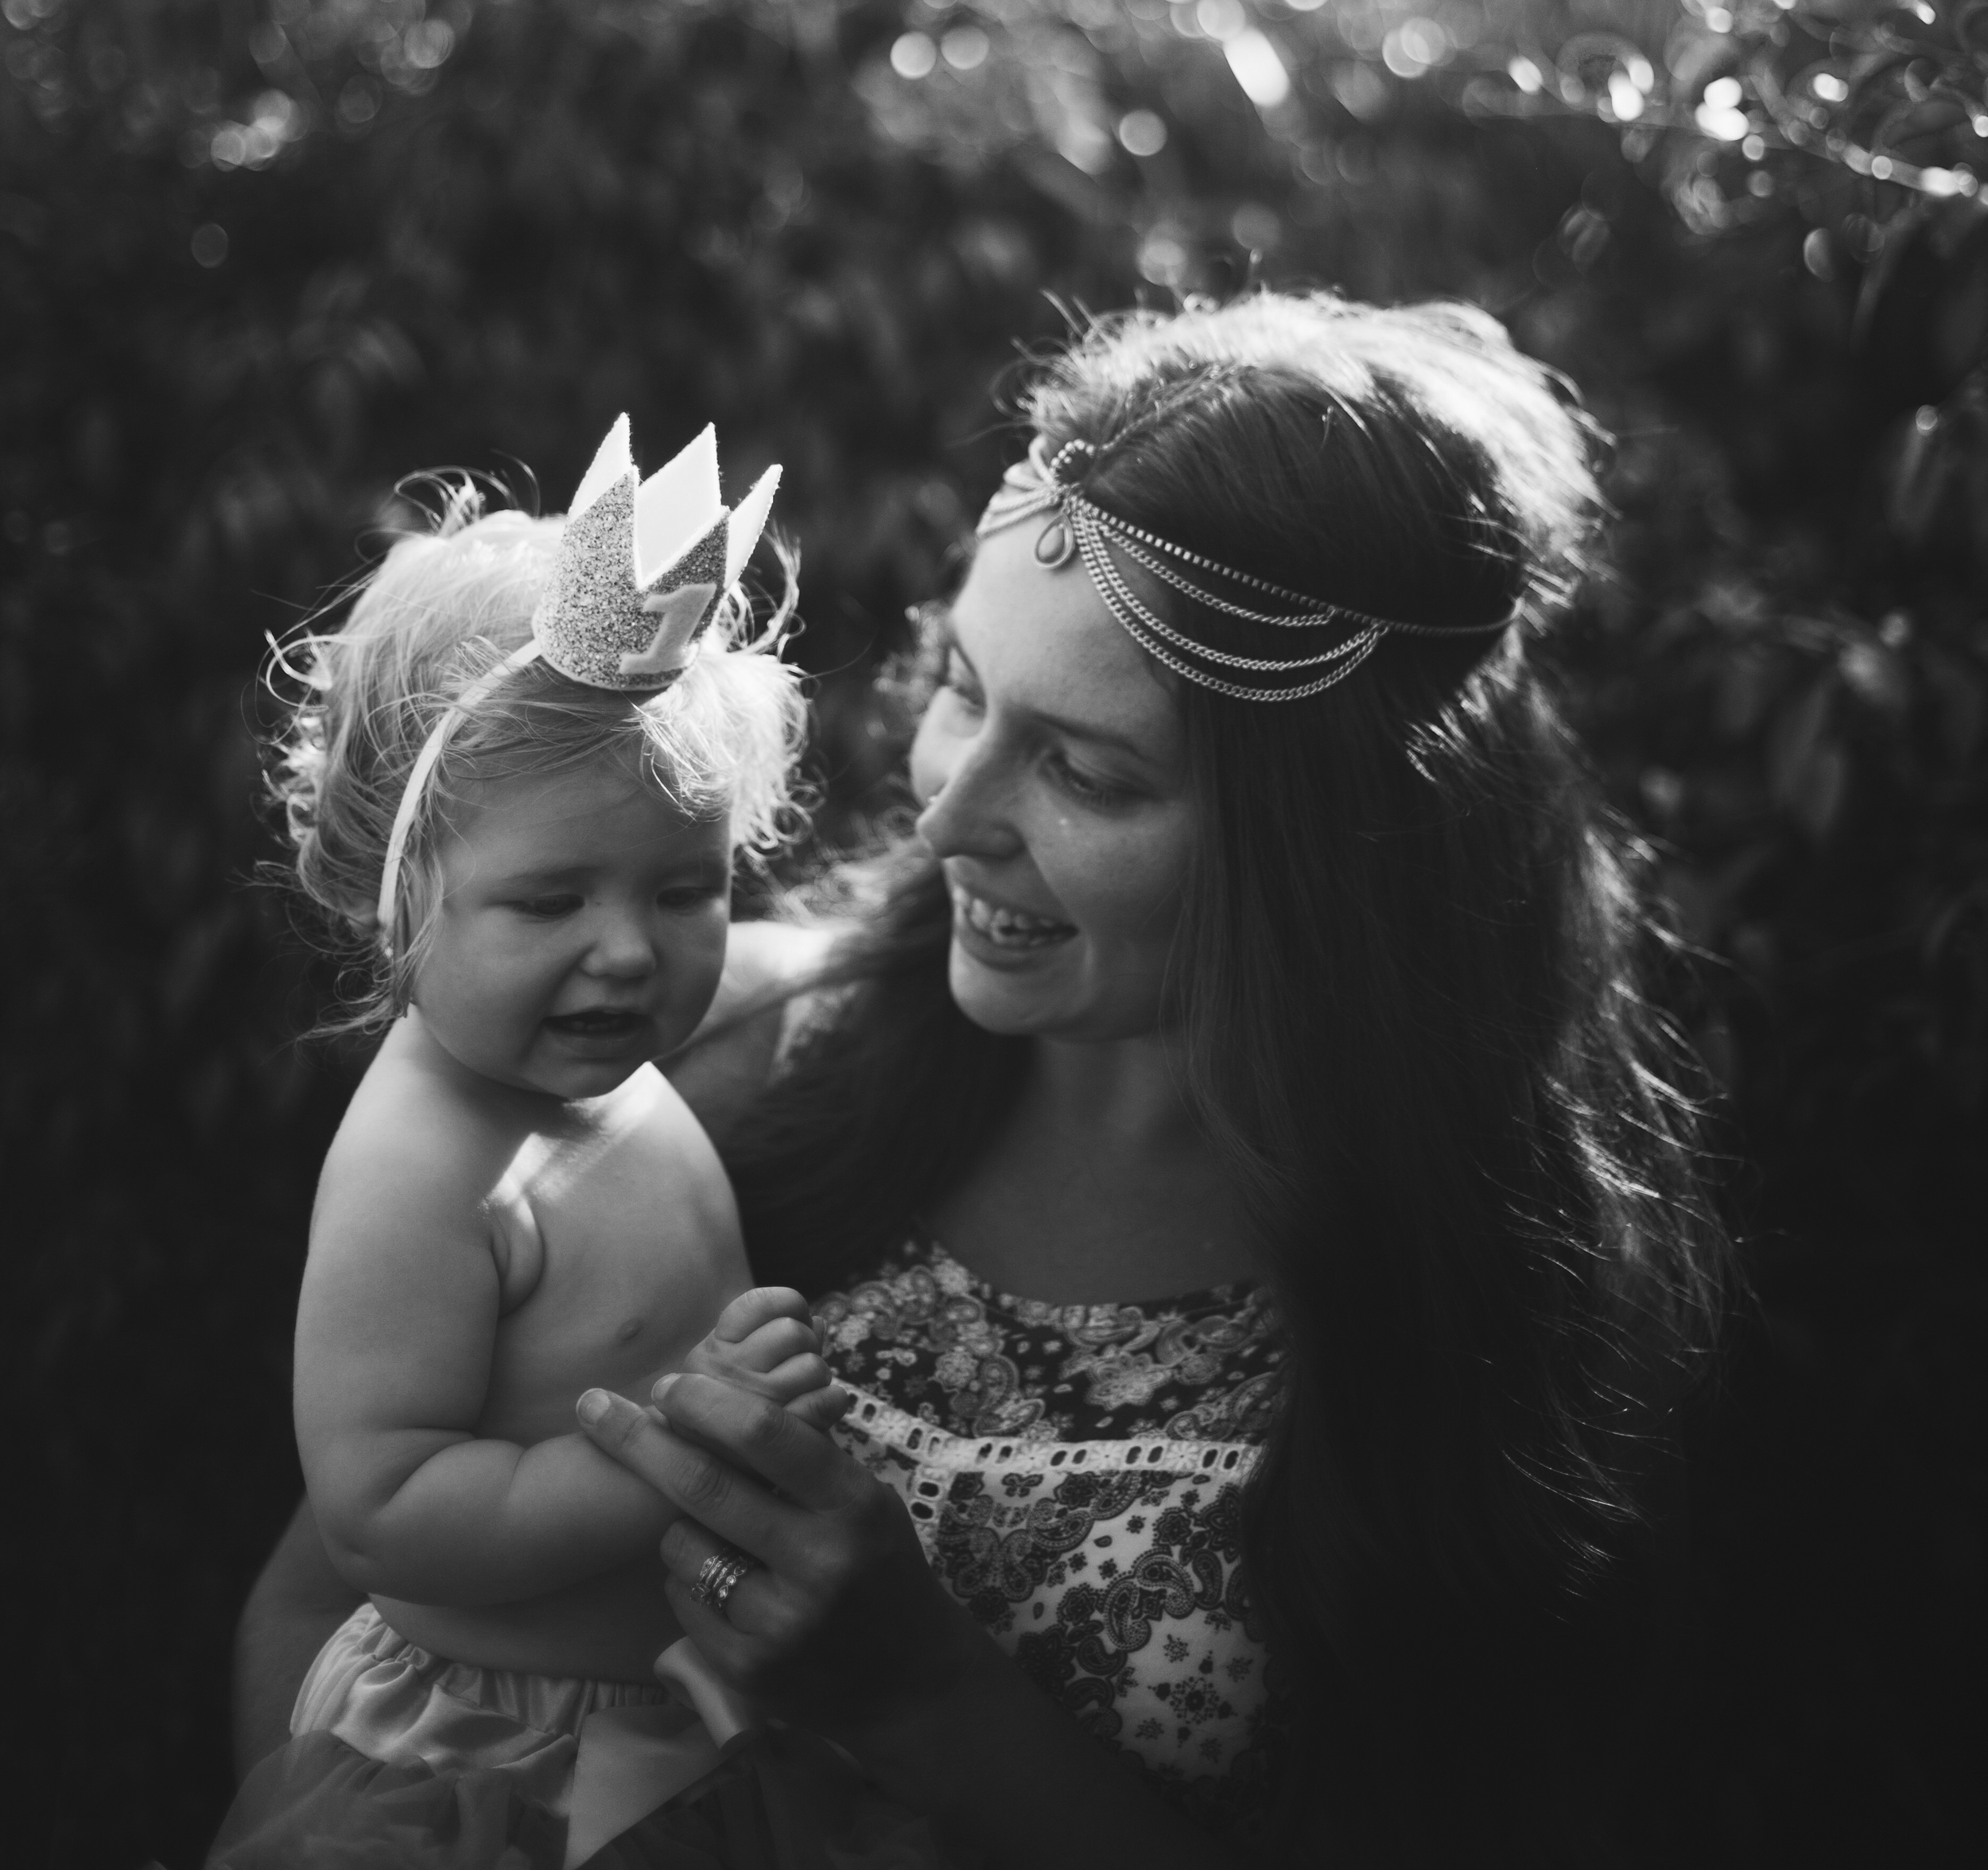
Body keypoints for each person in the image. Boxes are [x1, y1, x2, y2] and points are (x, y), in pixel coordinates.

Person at [239, 295, 1722, 1865]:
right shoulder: (700, 1046)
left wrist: (927, 1698)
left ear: (1327, 848)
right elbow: (328, 1594)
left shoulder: (1476, 1323)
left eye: (1085, 769)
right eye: (958, 688)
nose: (943, 817)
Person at [210, 417, 907, 1868]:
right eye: (549, 902)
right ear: (391, 890)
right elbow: (383, 1511)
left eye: (683, 887)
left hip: (662, 1708)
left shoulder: (601, 1074)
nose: (626, 954)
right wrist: (660, 1461)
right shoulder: (426, 1162)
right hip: (494, 1757)